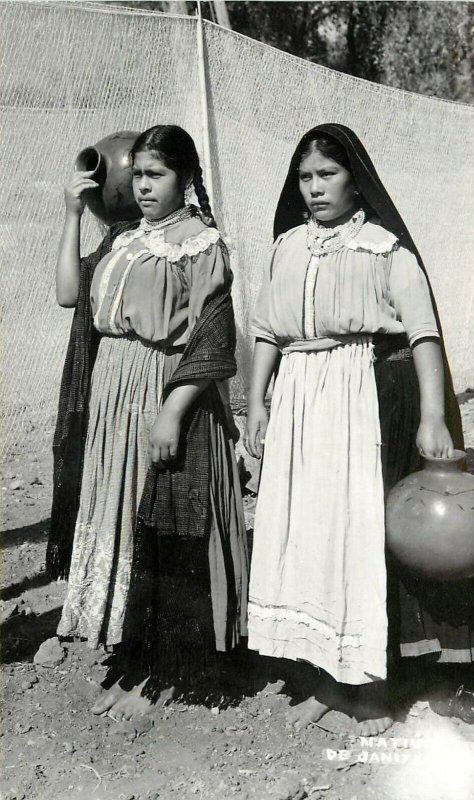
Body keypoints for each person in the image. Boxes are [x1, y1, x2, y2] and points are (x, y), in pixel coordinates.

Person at [245, 124, 474, 736]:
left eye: (327, 175)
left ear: (355, 179)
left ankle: (373, 689)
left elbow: (424, 336)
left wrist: (434, 417)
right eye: (304, 178)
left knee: (359, 543)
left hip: (364, 399)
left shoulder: (388, 250)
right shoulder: (286, 249)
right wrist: (256, 404)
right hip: (301, 405)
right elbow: (265, 332)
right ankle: (326, 680)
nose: (313, 188)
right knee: (313, 539)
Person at [47, 124, 248, 717]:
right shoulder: (124, 238)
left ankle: (159, 665)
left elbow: (212, 344)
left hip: (159, 391)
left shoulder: (201, 242)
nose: (143, 186)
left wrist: (171, 414)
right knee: (113, 511)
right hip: (112, 390)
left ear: (185, 177)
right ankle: (127, 647)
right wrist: (72, 214)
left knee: (151, 520)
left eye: (156, 174)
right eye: (136, 174)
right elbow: (67, 295)